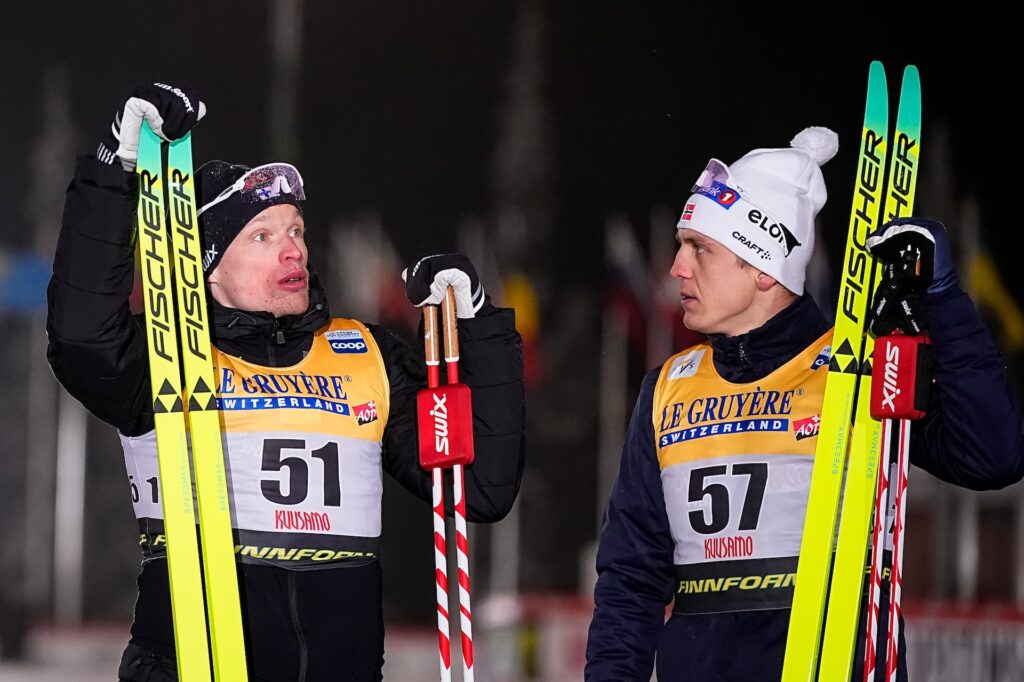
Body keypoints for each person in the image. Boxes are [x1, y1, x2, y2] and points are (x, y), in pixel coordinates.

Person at [46, 82, 525, 681]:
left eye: (295, 229)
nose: (293, 249)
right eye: (262, 236)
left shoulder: (365, 355)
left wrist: (478, 327)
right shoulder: (166, 355)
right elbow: (81, 337)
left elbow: (478, 488)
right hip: (191, 663)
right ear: (209, 266)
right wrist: (115, 167)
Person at [585, 126, 1024, 681]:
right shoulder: (669, 385)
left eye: (700, 248)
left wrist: (943, 304)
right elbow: (630, 578)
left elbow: (992, 456)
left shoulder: (856, 371)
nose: (677, 267)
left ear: (763, 267)